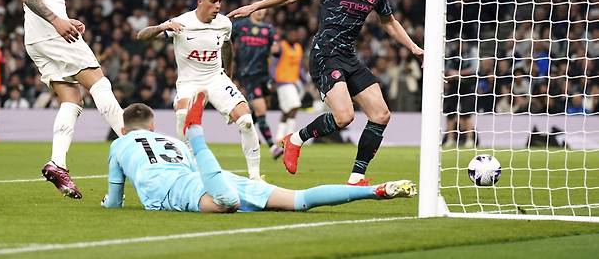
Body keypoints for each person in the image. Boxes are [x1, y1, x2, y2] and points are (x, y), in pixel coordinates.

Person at [228, 0, 424, 185]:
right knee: (344, 116)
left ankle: (356, 178)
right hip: (325, 54)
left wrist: (415, 48)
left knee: (381, 114)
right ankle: (296, 139)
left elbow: (389, 22)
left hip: (349, 56)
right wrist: (255, 6)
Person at [102, 98, 416, 212]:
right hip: (214, 178)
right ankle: (372, 192)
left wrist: (108, 203)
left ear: (124, 129)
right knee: (300, 199)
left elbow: (115, 199)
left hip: (186, 191)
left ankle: (197, 133)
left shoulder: (119, 144)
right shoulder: (169, 141)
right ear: (153, 125)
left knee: (225, 202)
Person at [15, 0, 124, 199]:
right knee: (99, 82)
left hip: (39, 37)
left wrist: (64, 19)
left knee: (71, 98)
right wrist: (57, 22)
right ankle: (134, 144)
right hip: (50, 34)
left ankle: (57, 164)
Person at [137, 0, 263, 180]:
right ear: (200, 1)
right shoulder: (181, 23)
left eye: (220, 2)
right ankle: (195, 169)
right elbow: (141, 36)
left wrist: (228, 75)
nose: (218, 6)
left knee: (246, 121)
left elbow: (227, 46)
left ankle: (255, 177)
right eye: (213, 1)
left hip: (216, 79)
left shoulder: (224, 23)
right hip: (189, 82)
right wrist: (163, 26)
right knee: (181, 116)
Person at [231, 5, 282, 158]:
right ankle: (273, 147)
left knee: (261, 110)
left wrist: (275, 49)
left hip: (264, 75)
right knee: (261, 110)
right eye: (258, 9)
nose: (260, 12)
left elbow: (277, 51)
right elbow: (227, 39)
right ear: (252, 10)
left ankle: (246, 131)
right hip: (248, 74)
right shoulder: (241, 25)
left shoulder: (269, 29)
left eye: (263, 10)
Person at [272, 25, 304, 141]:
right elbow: (273, 64)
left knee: (286, 111)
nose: (293, 36)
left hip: (294, 82)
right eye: (291, 34)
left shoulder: (298, 47)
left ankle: (279, 137)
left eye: (295, 34)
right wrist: (272, 79)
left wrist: (304, 79)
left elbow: (299, 67)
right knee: (295, 106)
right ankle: (290, 137)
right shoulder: (281, 47)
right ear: (287, 35)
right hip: (283, 82)